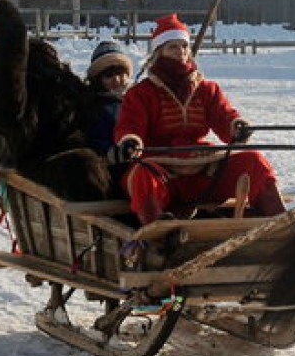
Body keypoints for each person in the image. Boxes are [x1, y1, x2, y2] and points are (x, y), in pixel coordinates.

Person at [114, 13, 286, 224]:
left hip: (204, 169)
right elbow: (130, 125)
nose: (181, 53)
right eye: (173, 47)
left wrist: (236, 127)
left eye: (184, 46)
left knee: (255, 162)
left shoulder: (206, 89)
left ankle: (280, 223)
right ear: (159, 52)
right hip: (161, 170)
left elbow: (224, 116)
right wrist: (131, 141)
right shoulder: (140, 93)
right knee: (141, 176)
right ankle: (158, 235)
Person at [83, 40, 133, 158]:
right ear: (98, 80)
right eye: (109, 75)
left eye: (120, 74)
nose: (116, 80)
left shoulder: (136, 99)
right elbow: (96, 140)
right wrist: (113, 151)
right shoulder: (97, 107)